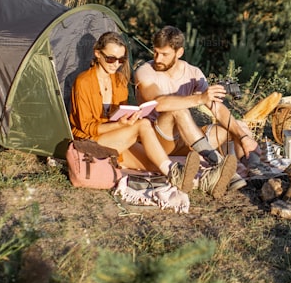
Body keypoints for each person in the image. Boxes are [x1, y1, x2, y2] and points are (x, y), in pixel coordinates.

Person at [134, 26, 260, 197]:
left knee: (232, 130)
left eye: (164, 54)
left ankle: (256, 173)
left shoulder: (193, 72)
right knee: (178, 110)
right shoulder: (145, 71)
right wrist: (200, 98)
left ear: (179, 52)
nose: (157, 59)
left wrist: (243, 137)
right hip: (158, 138)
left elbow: (217, 108)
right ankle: (220, 164)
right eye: (155, 53)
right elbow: (159, 104)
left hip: (186, 138)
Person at [69, 31, 199, 191]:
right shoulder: (83, 82)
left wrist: (129, 119)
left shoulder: (118, 81)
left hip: (114, 138)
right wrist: (122, 125)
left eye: (121, 60)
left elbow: (119, 117)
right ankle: (175, 174)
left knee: (154, 163)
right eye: (110, 58)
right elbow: (87, 127)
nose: (115, 64)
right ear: (97, 53)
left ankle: (198, 181)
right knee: (143, 125)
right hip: (89, 141)